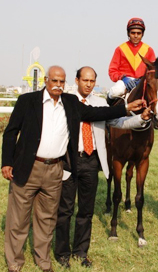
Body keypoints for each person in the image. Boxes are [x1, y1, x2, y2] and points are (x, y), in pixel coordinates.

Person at [1, 65, 146, 272]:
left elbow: (98, 112)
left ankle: (44, 261)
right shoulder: (27, 101)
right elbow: (10, 133)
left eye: (61, 82)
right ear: (46, 80)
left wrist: (127, 108)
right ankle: (15, 263)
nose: (58, 85)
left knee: (47, 219)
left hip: (56, 168)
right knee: (19, 219)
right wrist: (7, 162)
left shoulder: (70, 103)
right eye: (54, 81)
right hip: (30, 167)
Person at [55, 66, 151, 268]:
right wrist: (125, 107)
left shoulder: (100, 103)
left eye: (92, 81)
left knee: (86, 211)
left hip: (91, 161)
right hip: (69, 160)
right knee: (65, 210)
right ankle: (62, 253)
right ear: (77, 80)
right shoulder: (67, 101)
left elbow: (118, 122)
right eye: (85, 80)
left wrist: (139, 119)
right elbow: (87, 113)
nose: (89, 84)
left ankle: (81, 252)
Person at [107, 17, 156, 102]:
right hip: (124, 81)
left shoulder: (149, 50)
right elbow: (112, 70)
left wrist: (143, 80)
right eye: (133, 33)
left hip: (142, 82)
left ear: (142, 34)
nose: (136, 36)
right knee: (116, 91)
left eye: (138, 33)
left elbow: (153, 71)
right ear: (128, 33)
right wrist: (123, 78)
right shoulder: (120, 49)